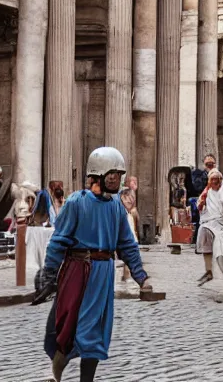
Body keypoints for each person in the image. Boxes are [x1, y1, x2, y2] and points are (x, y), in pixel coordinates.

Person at [33, 147, 151, 382]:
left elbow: (127, 243)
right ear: (97, 175)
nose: (116, 181)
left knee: (95, 330)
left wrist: (141, 276)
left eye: (119, 176)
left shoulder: (116, 206)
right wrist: (49, 275)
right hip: (77, 271)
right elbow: (58, 241)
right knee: (67, 327)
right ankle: (56, 371)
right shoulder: (77, 202)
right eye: (112, 176)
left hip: (103, 273)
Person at [195, 170, 223, 287]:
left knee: (221, 249)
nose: (214, 182)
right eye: (211, 180)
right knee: (204, 243)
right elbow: (199, 204)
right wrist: (201, 203)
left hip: (219, 223)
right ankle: (208, 271)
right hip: (206, 222)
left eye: (216, 180)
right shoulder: (206, 192)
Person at [118, 177, 140, 282]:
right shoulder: (121, 213)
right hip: (126, 237)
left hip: (131, 237)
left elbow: (135, 223)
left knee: (129, 260)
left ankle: (128, 276)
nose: (129, 200)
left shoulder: (131, 213)